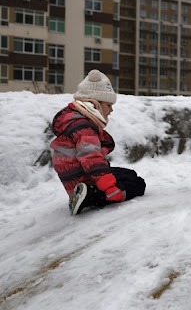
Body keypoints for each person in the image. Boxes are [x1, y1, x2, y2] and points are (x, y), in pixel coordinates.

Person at [50, 69, 146, 216]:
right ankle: (92, 196)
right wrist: (109, 188)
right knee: (137, 185)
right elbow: (91, 158)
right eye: (109, 105)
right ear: (96, 104)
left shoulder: (75, 119)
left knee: (129, 174)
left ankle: (84, 193)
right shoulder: (83, 126)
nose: (111, 110)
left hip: (75, 178)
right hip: (84, 177)